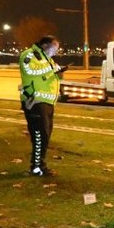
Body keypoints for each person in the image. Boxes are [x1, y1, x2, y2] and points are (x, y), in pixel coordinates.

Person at [18, 35, 66, 176]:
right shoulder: (29, 55)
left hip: (48, 102)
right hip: (35, 102)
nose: (55, 52)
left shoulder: (48, 60)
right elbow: (30, 71)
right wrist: (51, 69)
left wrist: (59, 74)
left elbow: (52, 76)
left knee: (45, 135)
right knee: (40, 135)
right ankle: (37, 167)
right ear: (45, 45)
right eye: (54, 48)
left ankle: (40, 165)